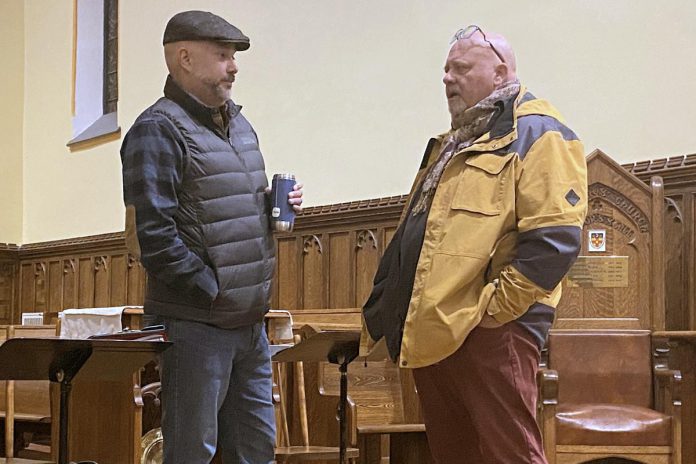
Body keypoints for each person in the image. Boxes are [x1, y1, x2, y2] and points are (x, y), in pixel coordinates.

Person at [361, 25, 587, 463]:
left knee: (509, 454)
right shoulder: (454, 142)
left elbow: (555, 240)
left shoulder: (540, 132)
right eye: (445, 70)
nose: (447, 78)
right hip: (437, 328)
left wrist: (493, 313)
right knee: (455, 453)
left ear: (500, 72)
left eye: (460, 68)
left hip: (489, 330)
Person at [120, 10, 302, 464]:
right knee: (191, 453)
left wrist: (273, 207)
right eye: (222, 56)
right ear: (184, 58)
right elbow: (155, 238)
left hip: (248, 323)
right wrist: (212, 291)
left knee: (256, 451)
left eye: (234, 57)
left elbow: (219, 211)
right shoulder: (157, 130)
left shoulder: (240, 127)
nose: (234, 67)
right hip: (195, 325)